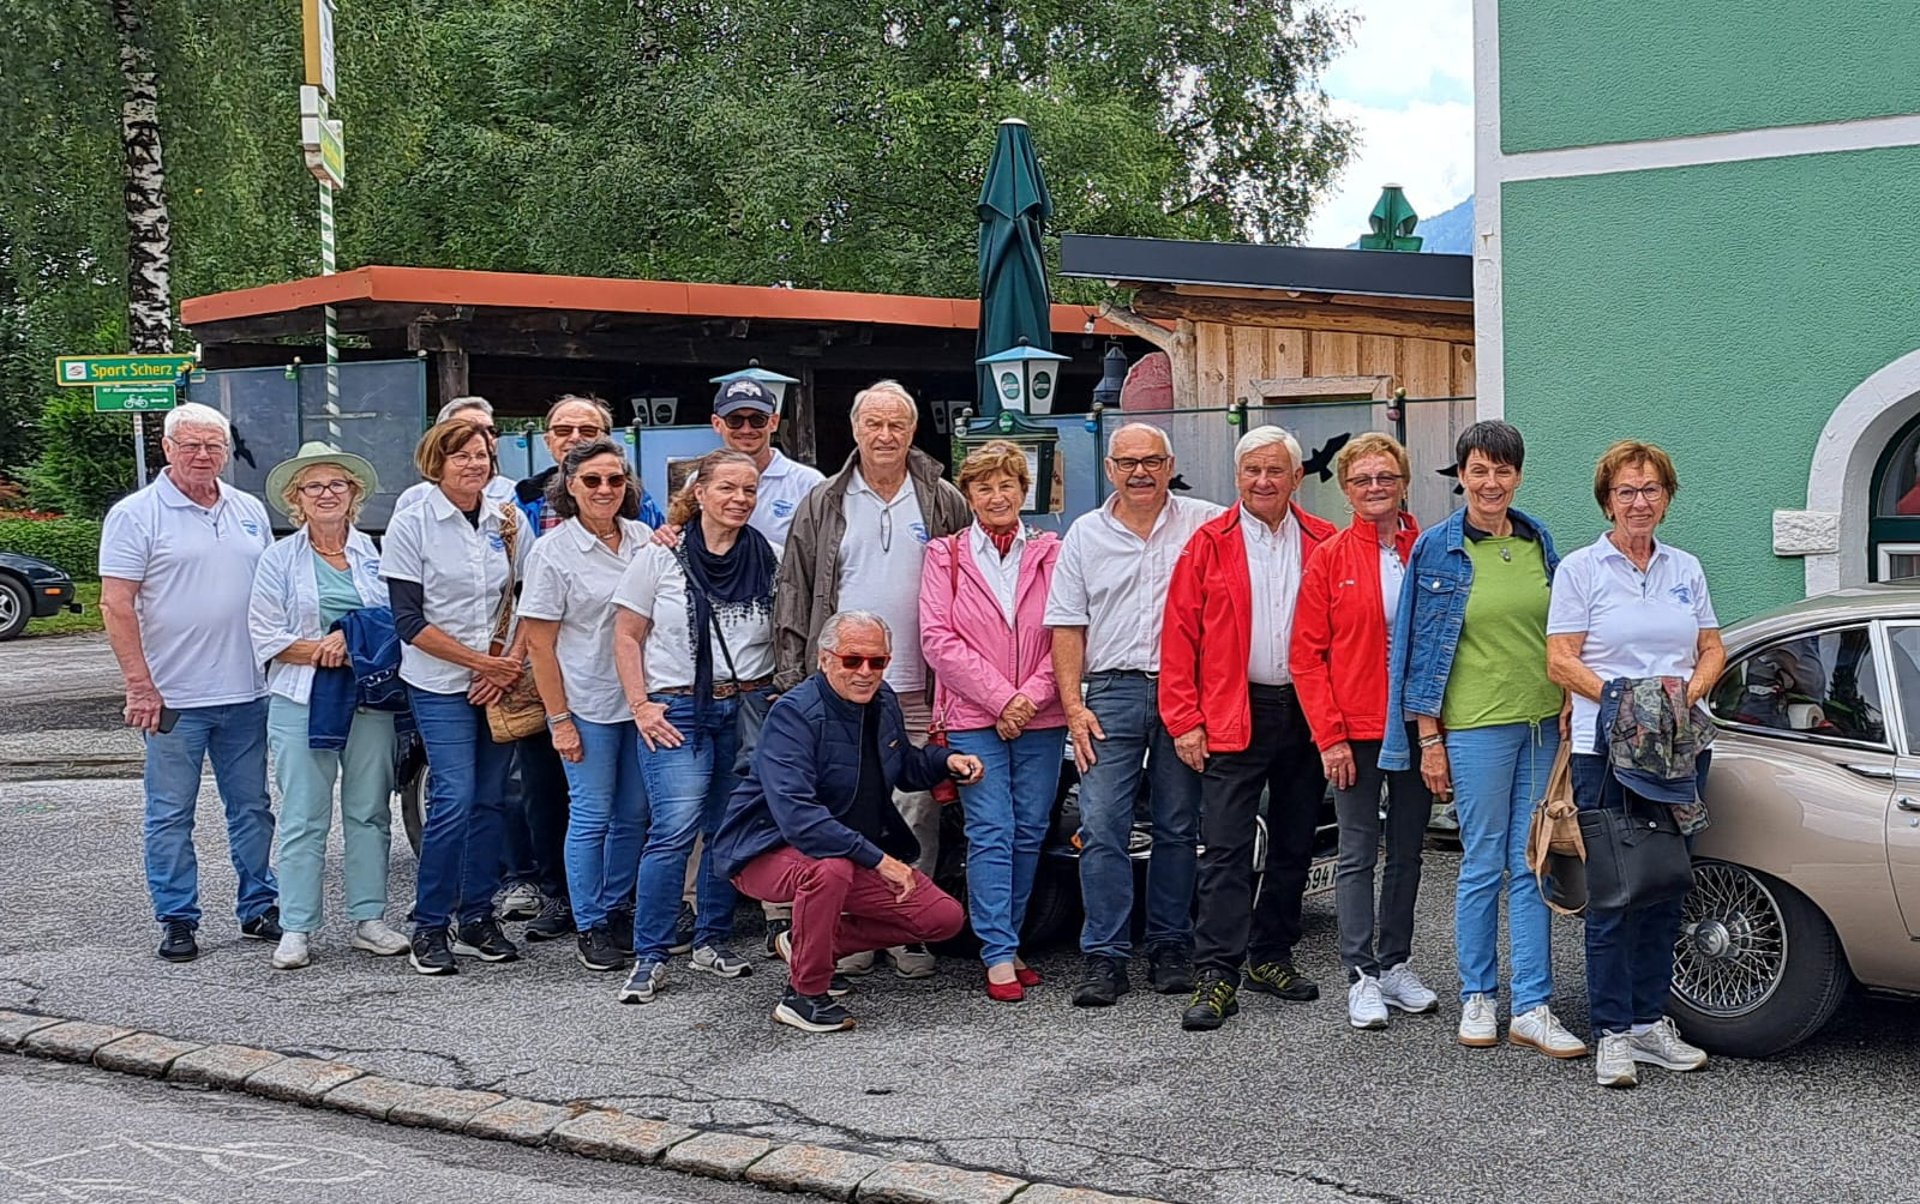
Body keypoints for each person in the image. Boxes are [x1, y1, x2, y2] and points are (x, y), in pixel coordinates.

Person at [1381, 421, 1585, 1058]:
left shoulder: (1538, 540)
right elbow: (1414, 646)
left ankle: (1532, 1004)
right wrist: (1428, 737)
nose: (1490, 482)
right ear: (1462, 476)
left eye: (1502, 470)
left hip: (1541, 726)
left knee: (1534, 860)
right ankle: (1478, 995)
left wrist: (1570, 703)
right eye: (1478, 470)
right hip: (1473, 727)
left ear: (1517, 475)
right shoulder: (1437, 548)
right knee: (1481, 863)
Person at [773, 379, 969, 979]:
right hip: (842, 685)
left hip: (919, 683)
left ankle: (907, 927)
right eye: (874, 424)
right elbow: (794, 590)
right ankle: (849, 929)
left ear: (913, 432)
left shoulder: (942, 498)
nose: (885, 436)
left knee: (916, 811)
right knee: (846, 808)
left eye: (898, 426)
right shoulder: (825, 500)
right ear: (856, 430)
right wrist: (793, 677)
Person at [1546, 440, 1723, 1088]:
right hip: (1606, 755)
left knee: (1666, 887)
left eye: (1650, 489)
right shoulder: (1582, 571)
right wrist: (1627, 699)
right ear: (1607, 500)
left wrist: (1686, 694)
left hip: (1678, 752)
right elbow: (1560, 660)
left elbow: (1711, 646)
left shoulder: (1686, 569)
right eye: (1627, 491)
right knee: (1615, 895)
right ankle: (1613, 1033)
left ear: (1667, 498)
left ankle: (1650, 1023)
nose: (1639, 502)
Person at [713, 611, 983, 1032]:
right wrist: (881, 860)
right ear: (824, 660)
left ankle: (807, 947)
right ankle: (805, 995)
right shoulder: (793, 714)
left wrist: (945, 761)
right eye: (852, 660)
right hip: (762, 850)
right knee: (829, 868)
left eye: (877, 662)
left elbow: (905, 766)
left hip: (846, 850)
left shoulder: (884, 700)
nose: (865, 672)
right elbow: (801, 819)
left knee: (941, 918)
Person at [1159, 426, 1336, 1031]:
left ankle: (1271, 955)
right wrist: (1184, 720)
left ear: (1296, 477)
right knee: (1228, 849)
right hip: (1235, 710)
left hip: (1306, 712)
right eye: (1252, 471)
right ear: (1237, 478)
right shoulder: (1208, 543)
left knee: (1293, 841)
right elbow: (1178, 637)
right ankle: (1216, 973)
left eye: (1275, 471)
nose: (1263, 482)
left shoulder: (1324, 540)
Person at [1045, 423, 1221, 1007]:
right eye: (1127, 462)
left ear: (1170, 464)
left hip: (1184, 691)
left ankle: (1171, 945)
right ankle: (1105, 955)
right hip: (1111, 691)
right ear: (1110, 468)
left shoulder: (1205, 524)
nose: (1139, 471)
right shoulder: (1084, 535)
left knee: (1178, 824)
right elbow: (1067, 625)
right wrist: (1074, 706)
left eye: (1151, 460)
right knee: (1101, 826)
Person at [100, 402, 280, 962]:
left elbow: (273, 593)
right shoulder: (136, 514)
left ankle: (260, 906)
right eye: (191, 445)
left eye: (214, 446)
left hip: (248, 692)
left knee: (252, 807)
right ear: (167, 448)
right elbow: (117, 603)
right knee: (170, 813)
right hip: (172, 698)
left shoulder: (248, 509)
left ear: (227, 452)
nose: (203, 456)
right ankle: (178, 916)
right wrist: (139, 684)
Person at [612, 449, 779, 1003]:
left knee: (725, 831)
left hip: (748, 707)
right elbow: (626, 636)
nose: (739, 499)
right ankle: (651, 954)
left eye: (749, 490)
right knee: (674, 832)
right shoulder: (660, 556)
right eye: (727, 488)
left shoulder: (770, 558)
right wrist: (641, 705)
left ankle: (712, 940)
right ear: (699, 492)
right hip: (677, 708)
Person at [1289, 433, 1438, 1030]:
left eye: (1386, 477)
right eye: (1362, 480)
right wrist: (1329, 737)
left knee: (1407, 851)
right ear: (1346, 489)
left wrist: (1437, 733)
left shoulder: (1426, 550)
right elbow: (1307, 656)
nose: (1375, 488)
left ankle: (1396, 963)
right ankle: (1360, 974)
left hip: (1416, 726)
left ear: (1403, 482)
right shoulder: (1328, 556)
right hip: (1353, 730)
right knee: (1356, 852)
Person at [504, 395, 660, 944]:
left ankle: (617, 908)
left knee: (635, 814)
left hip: (642, 702)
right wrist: (559, 719)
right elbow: (540, 648)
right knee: (591, 814)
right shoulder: (551, 552)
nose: (603, 490)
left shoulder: (645, 540)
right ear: (569, 485)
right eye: (591, 481)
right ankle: (591, 921)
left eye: (614, 480)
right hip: (587, 702)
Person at [248, 441, 408, 970]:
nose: (326, 494)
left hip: (367, 697)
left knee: (368, 810)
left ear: (353, 493)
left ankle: (369, 919)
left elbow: (394, 622)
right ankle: (296, 927)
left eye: (336, 484)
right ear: (296, 498)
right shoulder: (277, 558)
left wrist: (353, 638)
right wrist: (329, 646)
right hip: (301, 696)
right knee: (302, 814)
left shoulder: (375, 553)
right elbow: (265, 635)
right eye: (313, 486)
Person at [381, 417, 531, 975]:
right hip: (438, 680)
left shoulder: (507, 518)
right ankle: (430, 923)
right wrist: (478, 663)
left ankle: (476, 916)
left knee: (492, 798)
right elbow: (407, 620)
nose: (474, 464)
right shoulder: (413, 519)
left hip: (497, 679)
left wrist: (507, 664)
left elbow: (525, 598)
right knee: (455, 796)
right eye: (461, 455)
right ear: (436, 462)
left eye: (482, 454)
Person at [918, 440, 1064, 1002]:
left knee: (1029, 830)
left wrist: (1030, 697)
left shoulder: (1053, 550)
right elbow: (937, 639)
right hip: (973, 716)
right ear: (969, 495)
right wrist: (1003, 700)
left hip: (1043, 715)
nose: (996, 496)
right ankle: (997, 952)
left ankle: (1013, 939)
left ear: (1023, 491)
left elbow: (1069, 631)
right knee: (990, 830)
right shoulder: (945, 555)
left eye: (1007, 485)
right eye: (984, 487)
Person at [710, 378, 825, 551]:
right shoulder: (699, 480)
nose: (746, 429)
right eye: (735, 420)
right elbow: (681, 534)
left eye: (757, 419)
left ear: (773, 422)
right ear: (717, 424)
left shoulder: (808, 483)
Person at [394, 397, 518, 513]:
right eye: (467, 430)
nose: (484, 437)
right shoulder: (413, 500)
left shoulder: (517, 496)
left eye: (491, 431)